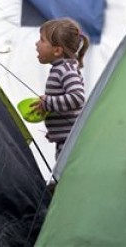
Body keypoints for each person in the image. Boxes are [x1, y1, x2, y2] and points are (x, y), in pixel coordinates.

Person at [32, 17, 90, 160]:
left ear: (57, 50)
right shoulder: (60, 68)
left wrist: (48, 102)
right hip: (65, 140)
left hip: (71, 144)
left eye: (42, 40)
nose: (36, 43)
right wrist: (54, 131)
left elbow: (77, 97)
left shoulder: (66, 70)